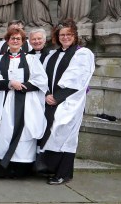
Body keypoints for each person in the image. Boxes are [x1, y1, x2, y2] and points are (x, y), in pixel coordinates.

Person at [0, 28, 48, 178]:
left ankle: (19, 170)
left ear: (23, 42)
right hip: (4, 102)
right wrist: (10, 83)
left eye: (18, 39)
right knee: (2, 134)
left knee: (23, 135)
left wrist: (22, 86)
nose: (15, 41)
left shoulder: (32, 60)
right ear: (7, 40)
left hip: (25, 102)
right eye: (12, 38)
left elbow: (41, 80)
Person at [36, 19, 94, 185]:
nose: (65, 37)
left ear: (75, 35)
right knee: (51, 133)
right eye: (62, 35)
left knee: (66, 136)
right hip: (50, 100)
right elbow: (42, 77)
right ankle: (51, 169)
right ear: (57, 36)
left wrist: (58, 97)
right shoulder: (52, 55)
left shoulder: (82, 54)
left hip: (70, 102)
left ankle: (64, 173)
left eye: (69, 34)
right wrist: (47, 94)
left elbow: (79, 79)